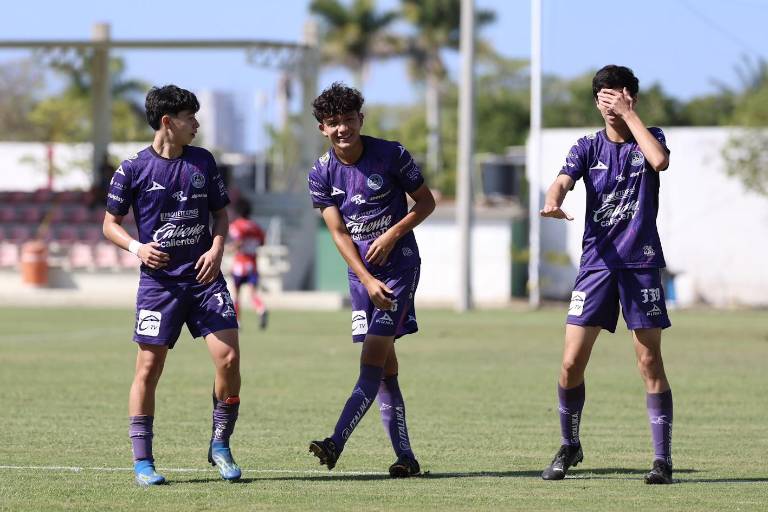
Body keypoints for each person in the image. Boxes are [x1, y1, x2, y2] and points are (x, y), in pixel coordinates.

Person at [539, 65, 675, 485]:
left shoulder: (650, 137)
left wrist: (631, 116)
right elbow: (562, 181)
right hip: (596, 266)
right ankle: (569, 444)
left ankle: (661, 460)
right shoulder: (586, 146)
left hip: (640, 264)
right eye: (602, 95)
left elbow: (660, 161)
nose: (608, 101)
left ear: (630, 96)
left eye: (615, 94)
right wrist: (552, 199)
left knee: (649, 359)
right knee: (570, 363)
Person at [103, 85, 242, 486]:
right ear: (168, 122)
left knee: (229, 360)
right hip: (159, 285)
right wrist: (137, 248)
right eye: (190, 117)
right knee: (149, 366)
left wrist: (217, 250)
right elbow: (109, 225)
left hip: (204, 280)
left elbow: (221, 216)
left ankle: (220, 443)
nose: (196, 124)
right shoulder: (132, 168)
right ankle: (143, 461)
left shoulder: (203, 161)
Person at [306, 82, 435, 478]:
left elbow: (426, 202)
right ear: (322, 129)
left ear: (360, 120)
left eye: (348, 119)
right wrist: (364, 277)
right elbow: (340, 234)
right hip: (363, 278)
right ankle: (406, 458)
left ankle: (335, 441)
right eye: (333, 123)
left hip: (399, 270)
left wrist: (392, 234)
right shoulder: (321, 173)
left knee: (371, 360)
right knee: (386, 369)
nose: (342, 128)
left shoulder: (391, 154)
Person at [228, 198, 268, 328]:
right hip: (252, 264)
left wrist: (228, 248)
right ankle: (261, 308)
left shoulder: (236, 225)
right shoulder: (255, 226)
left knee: (236, 295)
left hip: (240, 264)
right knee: (252, 294)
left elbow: (238, 242)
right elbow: (262, 242)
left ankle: (238, 322)